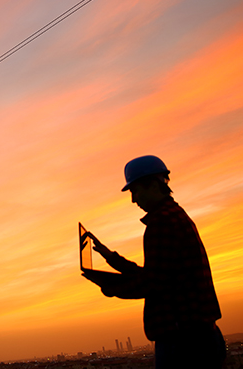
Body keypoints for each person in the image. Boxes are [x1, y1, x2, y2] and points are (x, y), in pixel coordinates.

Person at [82, 155, 226, 368]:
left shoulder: (161, 223)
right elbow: (157, 274)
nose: (133, 199)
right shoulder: (174, 216)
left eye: (135, 191)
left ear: (152, 185)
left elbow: (152, 284)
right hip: (199, 336)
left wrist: (110, 286)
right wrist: (111, 258)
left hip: (183, 341)